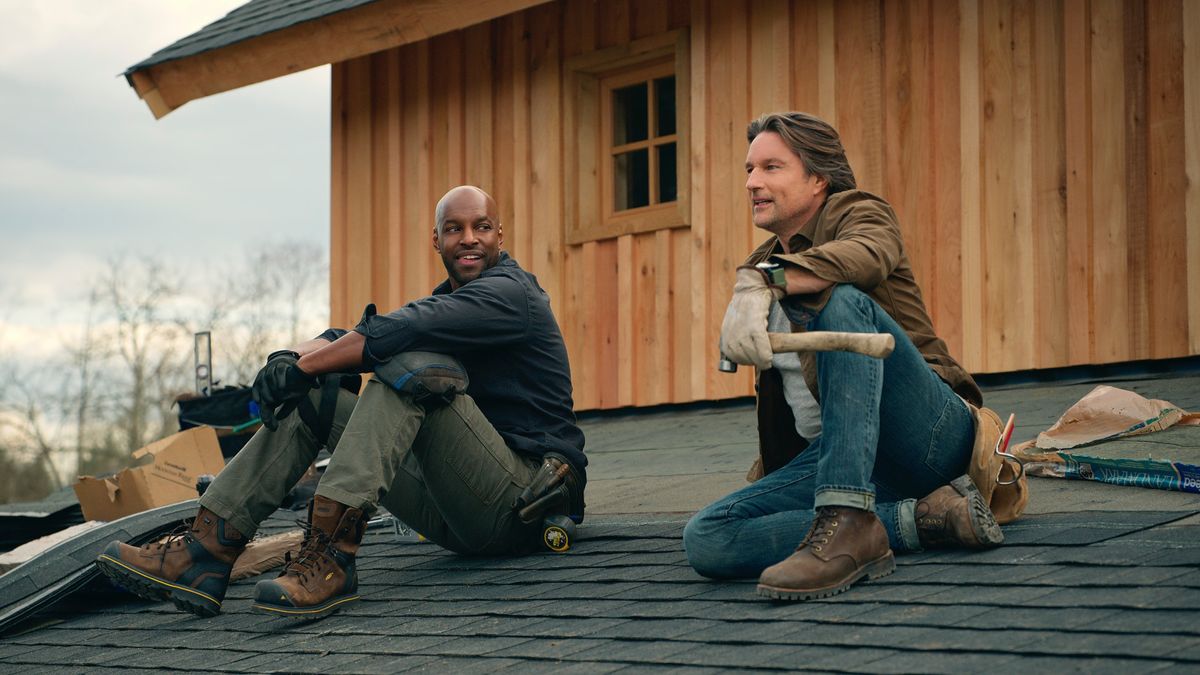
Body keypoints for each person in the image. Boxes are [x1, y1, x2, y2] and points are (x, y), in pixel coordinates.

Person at [97, 185, 586, 619]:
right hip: (455, 512)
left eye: (481, 227)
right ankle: (206, 551)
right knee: (318, 394)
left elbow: (403, 331)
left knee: (412, 369)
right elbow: (360, 334)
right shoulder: (449, 304)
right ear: (436, 241)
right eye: (454, 229)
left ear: (500, 235)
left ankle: (330, 559)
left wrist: (308, 361)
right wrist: (289, 361)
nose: (469, 238)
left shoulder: (510, 296)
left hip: (522, 507)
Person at [683, 112, 1010, 601]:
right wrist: (755, 281)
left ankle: (851, 516)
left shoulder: (859, 212)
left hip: (926, 436)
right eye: (749, 170)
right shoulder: (760, 265)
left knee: (841, 301)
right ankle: (916, 520)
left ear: (818, 178)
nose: (752, 182)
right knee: (707, 537)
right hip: (843, 457)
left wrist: (765, 283)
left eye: (771, 167)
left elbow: (867, 254)